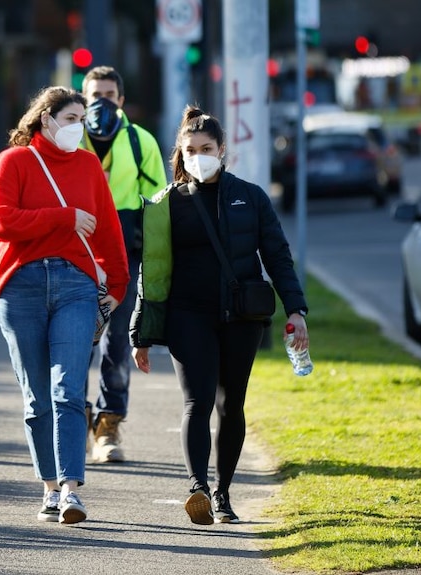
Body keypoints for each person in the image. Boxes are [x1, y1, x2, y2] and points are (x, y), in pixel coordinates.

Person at [129, 105, 309, 525]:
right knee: (198, 400)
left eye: (206, 148)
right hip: (187, 316)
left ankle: (224, 493)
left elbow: (278, 257)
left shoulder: (251, 196)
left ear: (222, 149)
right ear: (180, 152)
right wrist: (140, 333)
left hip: (241, 318)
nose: (198, 155)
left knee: (232, 404)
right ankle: (198, 488)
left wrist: (296, 310)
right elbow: (151, 272)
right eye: (189, 149)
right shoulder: (165, 204)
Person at [0, 86, 130, 524]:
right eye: (70, 118)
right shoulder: (13, 161)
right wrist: (62, 217)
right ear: (45, 119)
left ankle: (71, 491)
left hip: (76, 287)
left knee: (69, 389)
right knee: (36, 396)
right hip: (21, 285)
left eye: (81, 120)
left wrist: (118, 286)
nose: (78, 127)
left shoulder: (88, 165)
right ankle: (49, 489)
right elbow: (1, 221)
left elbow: (108, 230)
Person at [80, 65, 167, 463]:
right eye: (94, 94)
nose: (101, 102)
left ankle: (108, 426)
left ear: (122, 100)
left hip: (123, 254)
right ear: (82, 98)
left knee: (117, 341)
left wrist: (156, 262)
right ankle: (75, 421)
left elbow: (159, 208)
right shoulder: (67, 137)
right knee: (74, 337)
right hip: (74, 250)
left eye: (109, 94)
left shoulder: (141, 142)